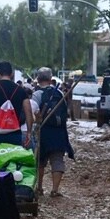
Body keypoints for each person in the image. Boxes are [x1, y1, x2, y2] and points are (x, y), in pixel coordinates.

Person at [32, 67, 74, 197]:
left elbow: (34, 113)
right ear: (51, 79)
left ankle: (39, 188)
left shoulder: (37, 94)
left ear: (38, 79)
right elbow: (64, 114)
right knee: (57, 160)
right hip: (59, 133)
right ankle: (55, 190)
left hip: (43, 132)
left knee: (40, 161)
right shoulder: (60, 94)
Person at [0, 61, 33, 148]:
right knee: (14, 158)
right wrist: (29, 132)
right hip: (15, 134)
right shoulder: (21, 90)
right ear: (12, 74)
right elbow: (28, 111)